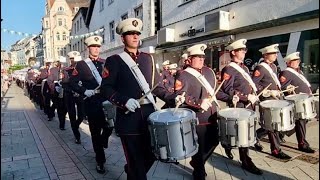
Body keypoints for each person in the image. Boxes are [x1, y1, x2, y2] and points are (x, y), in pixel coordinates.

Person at [100, 18, 177, 180]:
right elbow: (106, 88)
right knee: (137, 166)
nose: (135, 37)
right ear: (123, 38)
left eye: (137, 33)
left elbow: (157, 87)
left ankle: (131, 171)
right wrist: (124, 100)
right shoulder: (114, 61)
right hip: (129, 120)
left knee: (151, 156)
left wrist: (174, 98)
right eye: (130, 34)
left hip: (149, 117)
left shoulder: (148, 58)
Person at [174, 44, 219, 180]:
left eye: (202, 57)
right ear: (189, 59)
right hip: (197, 117)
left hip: (211, 115)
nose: (201, 59)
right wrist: (198, 103)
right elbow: (179, 96)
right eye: (197, 57)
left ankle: (197, 163)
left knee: (215, 141)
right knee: (199, 148)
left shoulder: (209, 72)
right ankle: (199, 172)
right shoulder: (183, 74)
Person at [217, 39, 262, 175]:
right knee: (243, 134)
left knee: (244, 133)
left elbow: (250, 85)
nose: (244, 52)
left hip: (249, 105)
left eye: (244, 50)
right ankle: (246, 161)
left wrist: (262, 91)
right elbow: (227, 89)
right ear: (233, 52)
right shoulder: (229, 69)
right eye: (241, 50)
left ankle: (226, 144)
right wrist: (245, 97)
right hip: (240, 105)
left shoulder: (244, 68)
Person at [69, 35, 113, 174]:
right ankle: (100, 161)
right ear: (88, 48)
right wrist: (84, 91)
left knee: (109, 127)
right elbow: (72, 83)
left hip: (106, 101)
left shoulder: (105, 62)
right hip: (92, 102)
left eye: (98, 46)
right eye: (93, 47)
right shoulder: (81, 65)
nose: (96, 49)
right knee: (95, 133)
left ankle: (103, 140)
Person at [252, 44, 291, 159]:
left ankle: (255, 137)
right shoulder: (260, 68)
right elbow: (254, 84)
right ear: (265, 55)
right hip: (267, 100)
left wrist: (283, 89)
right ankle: (275, 150)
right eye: (273, 53)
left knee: (270, 125)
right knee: (273, 125)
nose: (275, 55)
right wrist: (268, 92)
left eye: (276, 53)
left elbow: (275, 82)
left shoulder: (273, 67)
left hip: (276, 98)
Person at [278, 52, 315, 153]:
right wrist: (288, 88)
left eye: (298, 60)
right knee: (301, 121)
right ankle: (302, 144)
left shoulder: (299, 72)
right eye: (295, 61)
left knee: (302, 121)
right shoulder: (286, 72)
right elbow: (282, 87)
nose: (298, 62)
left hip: (304, 100)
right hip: (297, 101)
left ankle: (282, 133)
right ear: (289, 62)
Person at [61, 51, 85, 144]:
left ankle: (75, 126)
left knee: (81, 116)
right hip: (70, 95)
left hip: (80, 95)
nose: (74, 61)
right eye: (72, 59)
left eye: (75, 59)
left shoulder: (83, 69)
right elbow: (64, 84)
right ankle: (77, 136)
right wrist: (72, 91)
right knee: (72, 116)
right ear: (70, 60)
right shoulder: (66, 70)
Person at [47, 59, 67, 129]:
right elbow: (49, 80)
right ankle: (62, 124)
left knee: (65, 108)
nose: (62, 64)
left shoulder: (66, 69)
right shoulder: (52, 70)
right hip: (56, 89)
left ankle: (62, 119)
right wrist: (53, 87)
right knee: (58, 107)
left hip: (66, 90)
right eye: (60, 63)